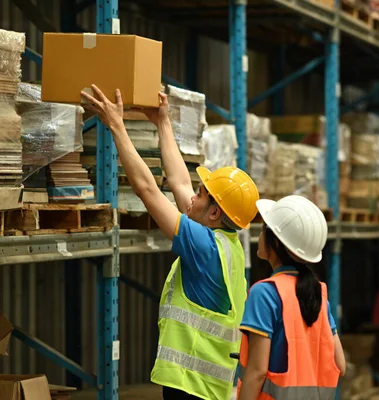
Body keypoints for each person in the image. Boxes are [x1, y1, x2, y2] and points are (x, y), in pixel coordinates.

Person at [81, 85, 259, 400]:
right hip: (206, 387)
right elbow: (176, 180)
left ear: (215, 213)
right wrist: (162, 122)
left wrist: (117, 126)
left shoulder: (204, 247)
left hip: (191, 387)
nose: (193, 195)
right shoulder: (226, 243)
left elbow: (147, 190)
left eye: (201, 194)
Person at [236, 195, 346, 400]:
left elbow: (257, 372)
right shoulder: (319, 294)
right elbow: (340, 365)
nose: (259, 235)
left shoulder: (265, 293)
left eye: (263, 230)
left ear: (276, 242)